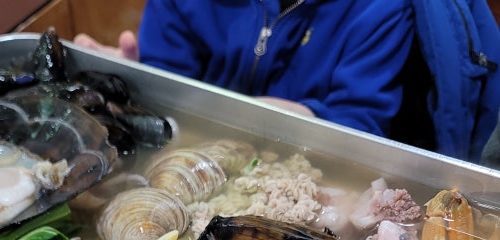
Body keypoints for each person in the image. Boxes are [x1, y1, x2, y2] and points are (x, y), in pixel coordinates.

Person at [74, 0, 415, 140]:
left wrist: (299, 119)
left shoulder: (379, 8)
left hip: (302, 158)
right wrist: (137, 84)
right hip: (189, 145)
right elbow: (165, 73)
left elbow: (361, 125)